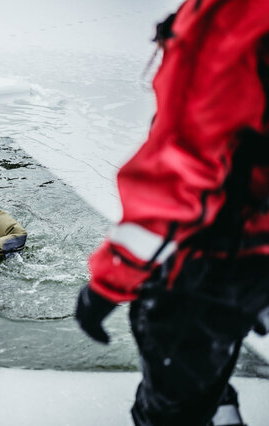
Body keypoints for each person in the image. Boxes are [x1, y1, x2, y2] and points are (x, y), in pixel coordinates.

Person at [75, 1, 269, 425]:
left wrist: (109, 284)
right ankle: (217, 400)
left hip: (208, 261)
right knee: (207, 360)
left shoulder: (232, 16)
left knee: (169, 411)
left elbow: (183, 173)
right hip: (251, 253)